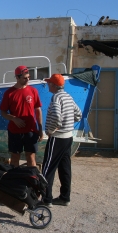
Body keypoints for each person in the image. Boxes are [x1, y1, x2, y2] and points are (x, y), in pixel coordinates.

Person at [40, 73, 82, 208]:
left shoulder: (56, 97)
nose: (47, 85)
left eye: (49, 83)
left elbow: (57, 116)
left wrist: (51, 130)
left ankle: (46, 199)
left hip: (57, 138)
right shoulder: (68, 97)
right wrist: (69, 123)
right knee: (65, 168)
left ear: (53, 85)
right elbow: (79, 114)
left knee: (48, 169)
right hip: (68, 137)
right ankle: (65, 197)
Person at [0, 65, 43, 167]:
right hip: (15, 131)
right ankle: (15, 181)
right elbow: (3, 112)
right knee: (15, 157)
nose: (27, 80)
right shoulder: (9, 93)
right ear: (17, 78)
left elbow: (38, 110)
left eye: (29, 77)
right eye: (25, 78)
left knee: (31, 157)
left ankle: (32, 180)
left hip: (31, 130)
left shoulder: (33, 91)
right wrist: (14, 119)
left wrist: (40, 128)